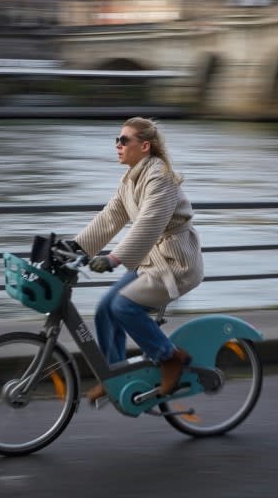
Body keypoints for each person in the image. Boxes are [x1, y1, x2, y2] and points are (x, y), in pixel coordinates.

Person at [71, 116, 204, 403]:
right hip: (152, 263)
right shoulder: (130, 179)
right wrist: (75, 248)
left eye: (123, 140)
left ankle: (169, 357)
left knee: (123, 305)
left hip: (176, 264)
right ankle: (115, 376)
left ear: (144, 146)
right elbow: (110, 218)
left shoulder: (160, 177)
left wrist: (114, 259)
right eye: (116, 140)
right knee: (105, 307)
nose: (117, 145)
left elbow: (149, 224)